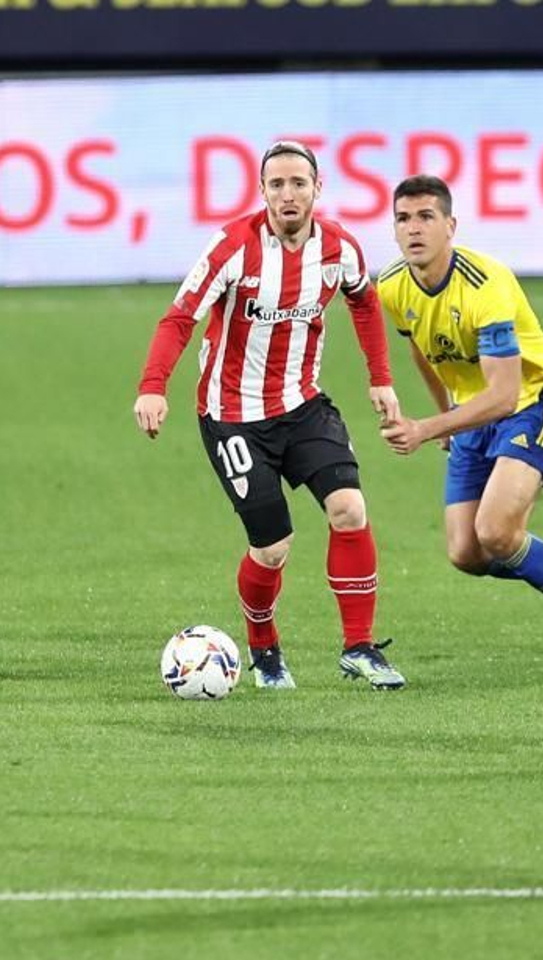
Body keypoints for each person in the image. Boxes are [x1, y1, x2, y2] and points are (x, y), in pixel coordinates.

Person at [134, 141, 405, 690]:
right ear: (262, 191)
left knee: (349, 508)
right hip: (232, 416)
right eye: (276, 184)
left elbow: (364, 301)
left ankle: (359, 647)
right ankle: (263, 650)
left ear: (317, 188)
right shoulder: (233, 247)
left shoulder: (339, 248)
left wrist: (380, 377)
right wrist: (153, 387)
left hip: (303, 406)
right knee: (273, 547)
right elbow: (180, 318)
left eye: (298, 183)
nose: (288, 194)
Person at [375, 175, 543, 656]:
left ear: (451, 226)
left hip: (533, 399)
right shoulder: (392, 285)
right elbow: (422, 349)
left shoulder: (485, 284)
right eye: (403, 218)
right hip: (472, 409)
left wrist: (426, 428)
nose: (414, 228)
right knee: (466, 553)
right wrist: (447, 415)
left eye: (426, 217)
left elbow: (504, 396)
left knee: (496, 531)